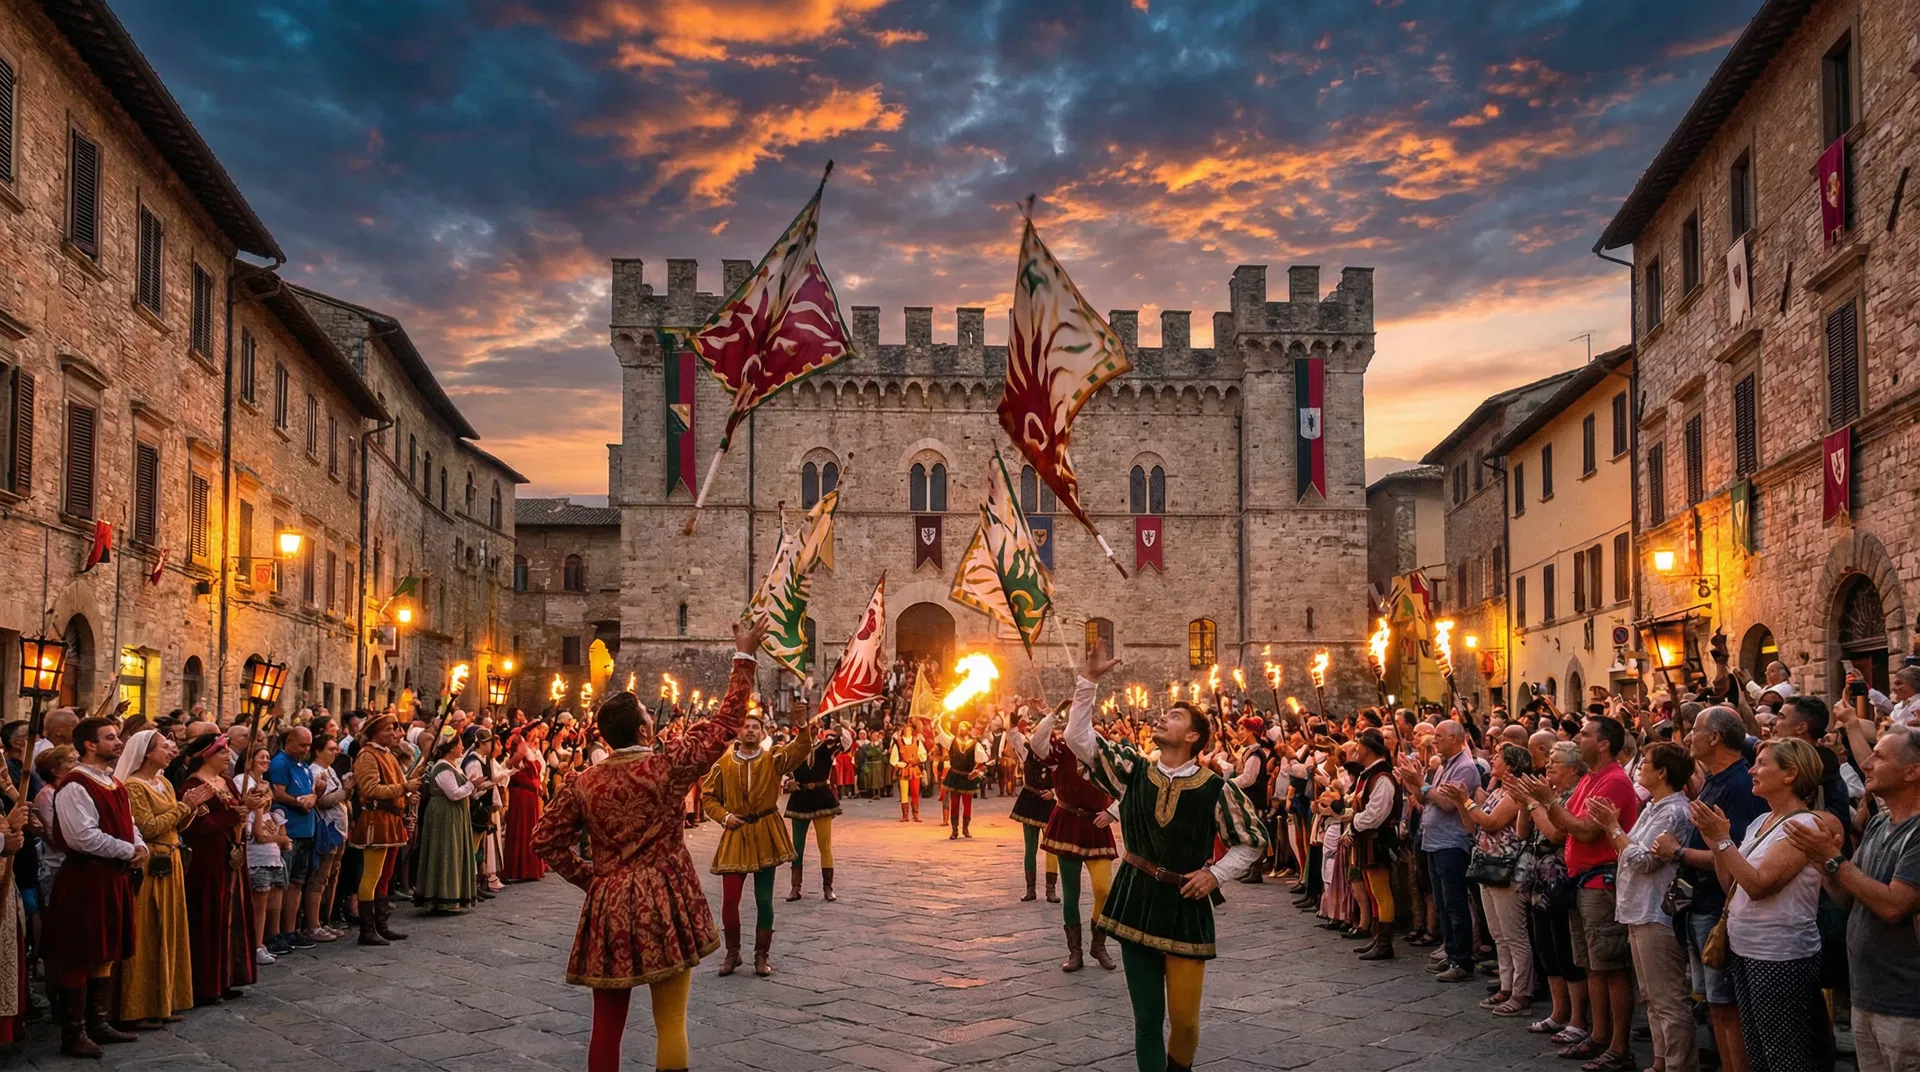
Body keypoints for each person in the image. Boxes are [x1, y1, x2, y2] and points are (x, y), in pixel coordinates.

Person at [533, 620, 763, 1072]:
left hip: (609, 903)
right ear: (642, 730)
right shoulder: (664, 768)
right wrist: (744, 657)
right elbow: (725, 724)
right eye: (647, 715)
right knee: (671, 1021)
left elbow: (545, 840)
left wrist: (592, 879)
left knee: (606, 1025)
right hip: (664, 896)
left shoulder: (583, 783)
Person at [1064, 648, 1267, 1072]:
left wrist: (1215, 875)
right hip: (1136, 899)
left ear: (1193, 736)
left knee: (1186, 1022)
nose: (1162, 718)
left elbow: (1252, 842)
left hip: (1185, 906)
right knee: (1146, 1020)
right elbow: (1078, 739)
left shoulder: (1217, 788)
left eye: (1174, 716)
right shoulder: (1133, 771)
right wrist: (1089, 681)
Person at [1690, 737, 1837, 1072]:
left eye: (1762, 764)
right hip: (1746, 949)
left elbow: (1758, 885)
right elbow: (1733, 884)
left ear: (1790, 774)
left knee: (1784, 1055)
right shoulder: (1762, 821)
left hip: (1779, 954)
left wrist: (1723, 840)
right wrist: (1716, 845)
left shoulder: (1804, 825)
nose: (1751, 770)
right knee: (1758, 1052)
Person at [1786, 725, 1920, 1072]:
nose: (1867, 764)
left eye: (1880, 757)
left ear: (1912, 771)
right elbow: (1848, 898)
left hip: (1906, 1006)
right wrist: (1823, 865)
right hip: (1867, 996)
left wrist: (1833, 860)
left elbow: (1894, 906)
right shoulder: (1878, 824)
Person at [1518, 715, 1639, 1070]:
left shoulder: (1613, 781)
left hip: (1601, 881)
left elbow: (1585, 831)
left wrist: (1547, 801)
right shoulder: (1590, 778)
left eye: (1584, 734)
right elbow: (1563, 825)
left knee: (1610, 966)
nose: (1577, 738)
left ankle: (1618, 1045)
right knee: (1591, 965)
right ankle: (1599, 1035)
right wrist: (1546, 803)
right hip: (1581, 880)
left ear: (1603, 744)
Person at [1656, 706, 1765, 1072]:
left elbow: (1734, 853)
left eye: (1696, 730)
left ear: (1715, 737)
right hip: (1698, 901)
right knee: (1712, 1001)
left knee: (1725, 1002)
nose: (1689, 737)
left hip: (1717, 905)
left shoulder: (1739, 786)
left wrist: (1679, 852)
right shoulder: (1716, 780)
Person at [42, 717, 144, 1057]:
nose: (118, 742)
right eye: (110, 737)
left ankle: (98, 1021)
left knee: (106, 950)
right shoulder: (75, 785)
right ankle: (74, 1032)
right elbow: (82, 837)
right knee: (81, 952)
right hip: (87, 877)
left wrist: (139, 845)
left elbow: (128, 823)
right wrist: (127, 850)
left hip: (112, 876)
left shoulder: (113, 782)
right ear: (90, 744)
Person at [1591, 741, 1695, 1072]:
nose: (1639, 768)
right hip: (1639, 907)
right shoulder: (1653, 806)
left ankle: (1680, 1065)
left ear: (1662, 773)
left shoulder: (1674, 812)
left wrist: (1612, 827)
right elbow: (1629, 849)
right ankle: (1661, 1061)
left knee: (1668, 999)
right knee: (1651, 996)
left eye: (1645, 763)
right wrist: (1615, 830)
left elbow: (1642, 860)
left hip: (1656, 910)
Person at [702, 691, 816, 978]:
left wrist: (802, 725)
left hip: (766, 831)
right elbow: (708, 797)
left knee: (764, 900)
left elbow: (800, 749)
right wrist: (724, 816)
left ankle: (761, 954)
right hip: (736, 832)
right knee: (730, 900)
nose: (750, 730)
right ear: (739, 732)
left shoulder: (773, 758)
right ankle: (733, 953)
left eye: (755, 726)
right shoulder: (724, 764)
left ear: (762, 732)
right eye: (746, 726)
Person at [114, 729, 213, 1028]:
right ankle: (135, 1007)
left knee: (169, 930)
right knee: (147, 932)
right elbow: (147, 826)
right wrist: (186, 805)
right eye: (164, 747)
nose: (171, 751)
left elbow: (176, 825)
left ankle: (163, 1001)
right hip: (150, 864)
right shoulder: (134, 786)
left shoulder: (165, 782)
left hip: (171, 860)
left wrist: (191, 811)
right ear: (147, 753)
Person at [1029, 701, 1119, 972]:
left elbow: (1127, 785)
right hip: (1068, 823)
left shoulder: (1104, 750)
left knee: (1104, 889)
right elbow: (1036, 743)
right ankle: (1075, 951)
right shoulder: (1060, 750)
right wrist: (1053, 714)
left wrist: (1113, 812)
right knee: (1071, 894)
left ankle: (1098, 944)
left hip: (1097, 826)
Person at [1395, 719, 1480, 983]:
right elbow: (1424, 798)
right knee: (1442, 903)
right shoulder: (1444, 765)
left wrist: (1421, 783)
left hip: (1451, 842)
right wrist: (1412, 781)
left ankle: (1462, 960)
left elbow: (1446, 803)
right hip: (1433, 841)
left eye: (1440, 737)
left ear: (1455, 738)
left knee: (1455, 903)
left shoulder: (1465, 767)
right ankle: (1451, 952)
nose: (1435, 741)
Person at [1443, 742, 1526, 1006]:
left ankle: (1521, 990)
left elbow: (1491, 823)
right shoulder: (1497, 792)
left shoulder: (1514, 794)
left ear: (1510, 765)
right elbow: (1473, 825)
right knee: (1499, 933)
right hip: (1488, 866)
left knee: (1513, 935)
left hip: (1505, 868)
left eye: (1499, 757)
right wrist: (1462, 803)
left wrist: (1466, 800)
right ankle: (1506, 985)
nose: (1493, 759)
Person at [178, 734, 247, 1006]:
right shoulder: (194, 786)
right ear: (206, 756)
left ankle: (225, 978)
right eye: (222, 752)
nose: (228, 756)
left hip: (230, 855)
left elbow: (237, 812)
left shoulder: (227, 782)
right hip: (207, 859)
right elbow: (199, 826)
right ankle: (206, 984)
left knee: (229, 915)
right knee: (208, 917)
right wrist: (233, 815)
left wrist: (247, 808)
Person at [350, 714, 420, 946]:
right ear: (375, 733)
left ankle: (381, 925)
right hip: (376, 819)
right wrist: (404, 787)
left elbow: (396, 786)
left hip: (391, 819)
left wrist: (407, 795)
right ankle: (367, 929)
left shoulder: (388, 754)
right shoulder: (367, 755)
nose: (393, 733)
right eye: (388, 729)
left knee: (386, 875)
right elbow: (370, 789)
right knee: (372, 875)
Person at [1349, 729, 1404, 962]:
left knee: (1382, 892)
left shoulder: (1382, 776)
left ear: (1369, 749)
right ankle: (1378, 936)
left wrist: (1353, 824)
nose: (1356, 749)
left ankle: (1385, 943)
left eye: (1359, 745)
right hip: (1368, 838)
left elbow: (1376, 813)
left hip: (1378, 839)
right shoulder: (1369, 774)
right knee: (1374, 891)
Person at [413, 725, 479, 914]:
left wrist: (475, 786)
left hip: (454, 815)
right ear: (451, 748)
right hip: (444, 815)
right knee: (444, 852)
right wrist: (471, 785)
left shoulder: (453, 766)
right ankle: (441, 895)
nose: (462, 747)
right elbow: (453, 793)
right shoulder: (442, 768)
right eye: (459, 745)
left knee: (453, 852)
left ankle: (453, 894)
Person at [784, 721, 852, 903]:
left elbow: (846, 744)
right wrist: (787, 782)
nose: (812, 728)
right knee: (797, 846)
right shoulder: (793, 749)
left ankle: (828, 887)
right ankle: (795, 887)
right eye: (808, 725)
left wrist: (842, 728)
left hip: (821, 797)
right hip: (800, 798)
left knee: (825, 845)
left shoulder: (827, 745)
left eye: (814, 725)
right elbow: (779, 768)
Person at [266, 726, 318, 954]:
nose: (306, 750)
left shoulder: (303, 765)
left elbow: (311, 790)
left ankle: (290, 930)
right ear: (289, 742)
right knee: (283, 884)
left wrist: (313, 796)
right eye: (302, 745)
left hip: (306, 830)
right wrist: (299, 802)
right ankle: (275, 932)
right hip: (291, 830)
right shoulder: (280, 763)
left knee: (297, 882)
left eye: (309, 745)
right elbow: (278, 792)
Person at [1006, 707, 1060, 903]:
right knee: (1030, 848)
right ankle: (1030, 889)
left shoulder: (1057, 754)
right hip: (1029, 800)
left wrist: (1054, 792)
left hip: (1049, 803)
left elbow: (1064, 779)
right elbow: (1013, 736)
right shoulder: (1027, 749)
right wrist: (1013, 721)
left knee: (1052, 848)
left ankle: (1050, 890)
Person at [501, 723, 549, 882]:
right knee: (521, 830)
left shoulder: (531, 751)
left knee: (531, 830)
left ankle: (531, 867)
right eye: (533, 736)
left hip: (531, 796)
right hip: (521, 795)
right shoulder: (520, 748)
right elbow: (512, 764)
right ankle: (520, 868)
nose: (535, 739)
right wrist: (523, 753)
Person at [935, 718, 988, 839]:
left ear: (968, 730)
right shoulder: (952, 741)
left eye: (963, 728)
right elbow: (942, 735)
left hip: (967, 777)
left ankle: (965, 828)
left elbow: (982, 762)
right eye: (959, 728)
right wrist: (938, 723)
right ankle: (954, 830)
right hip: (954, 775)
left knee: (967, 804)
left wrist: (976, 772)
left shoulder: (975, 744)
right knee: (954, 803)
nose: (960, 730)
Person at [890, 722, 927, 822]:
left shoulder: (917, 741)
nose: (908, 730)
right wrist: (901, 764)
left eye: (909, 729)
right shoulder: (898, 743)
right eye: (906, 729)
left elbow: (923, 755)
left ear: (912, 730)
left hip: (914, 769)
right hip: (904, 770)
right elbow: (893, 759)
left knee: (915, 792)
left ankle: (916, 814)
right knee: (904, 792)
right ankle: (905, 815)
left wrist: (915, 761)